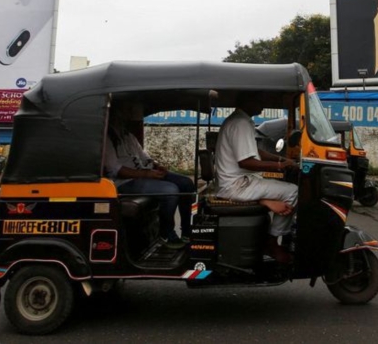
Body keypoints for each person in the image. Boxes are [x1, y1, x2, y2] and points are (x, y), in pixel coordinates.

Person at [215, 92, 298, 263]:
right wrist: (280, 167)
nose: (263, 104)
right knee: (293, 191)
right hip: (237, 185)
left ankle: (269, 211)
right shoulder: (240, 123)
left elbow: (256, 152)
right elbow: (246, 162)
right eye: (259, 99)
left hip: (239, 182)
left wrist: (282, 160)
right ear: (247, 101)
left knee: (280, 186)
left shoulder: (240, 121)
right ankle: (272, 243)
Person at [103, 104, 196, 249]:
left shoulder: (128, 136)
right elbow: (115, 170)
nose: (127, 116)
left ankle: (186, 232)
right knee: (170, 190)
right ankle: (166, 234)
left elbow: (144, 157)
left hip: (143, 174)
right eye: (124, 112)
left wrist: (157, 166)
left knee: (186, 183)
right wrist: (146, 174)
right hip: (125, 182)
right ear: (114, 115)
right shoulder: (107, 138)